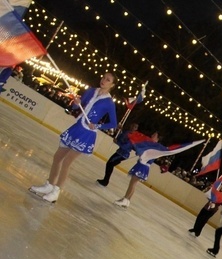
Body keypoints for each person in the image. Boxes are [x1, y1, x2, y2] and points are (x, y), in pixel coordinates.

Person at [30, 72, 118, 203]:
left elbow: (113, 123)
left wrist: (98, 126)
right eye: (103, 77)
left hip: (87, 133)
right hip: (76, 128)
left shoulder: (109, 102)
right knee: (57, 157)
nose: (104, 80)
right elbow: (77, 106)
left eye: (108, 80)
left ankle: (56, 192)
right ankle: (49, 185)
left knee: (66, 162)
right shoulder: (91, 91)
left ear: (112, 85)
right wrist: (76, 102)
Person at [112, 131, 162, 208]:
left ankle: (125, 200)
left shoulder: (154, 147)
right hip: (143, 165)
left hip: (143, 166)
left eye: (154, 135)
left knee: (132, 184)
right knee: (133, 184)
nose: (152, 135)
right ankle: (127, 200)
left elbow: (147, 156)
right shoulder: (153, 146)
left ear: (157, 138)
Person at [97, 122, 143, 187]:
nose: (133, 127)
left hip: (123, 154)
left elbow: (126, 146)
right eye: (133, 125)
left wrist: (117, 142)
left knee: (110, 164)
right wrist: (119, 131)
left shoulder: (133, 137)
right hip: (119, 152)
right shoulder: (126, 132)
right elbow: (120, 137)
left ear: (136, 129)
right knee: (109, 164)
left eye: (135, 127)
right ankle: (105, 180)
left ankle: (105, 181)